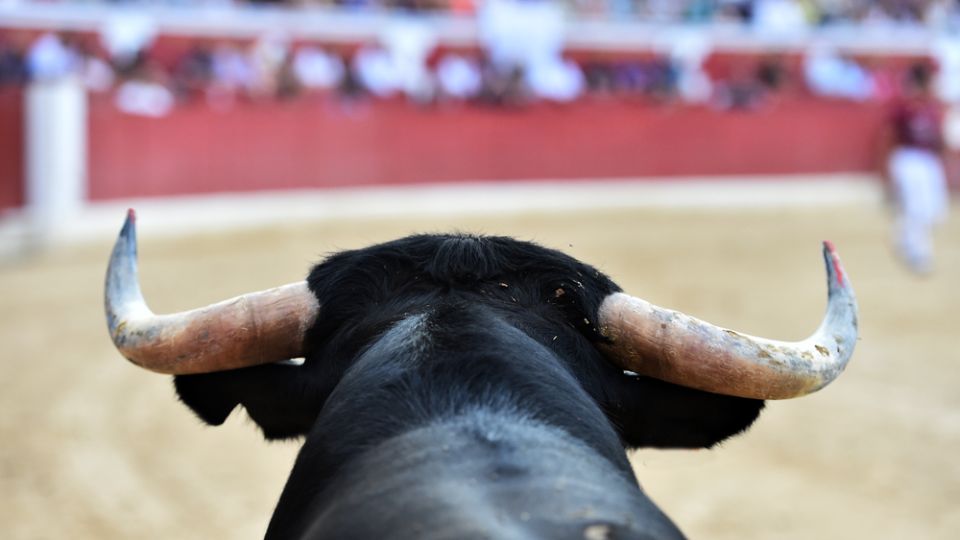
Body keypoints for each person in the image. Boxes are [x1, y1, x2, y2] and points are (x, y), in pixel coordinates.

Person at [885, 63, 951, 274]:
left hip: (928, 160)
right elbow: (888, 137)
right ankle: (917, 252)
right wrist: (887, 169)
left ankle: (903, 238)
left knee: (935, 210)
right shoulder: (904, 106)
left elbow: (939, 138)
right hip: (909, 158)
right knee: (917, 207)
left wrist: (944, 159)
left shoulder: (933, 107)